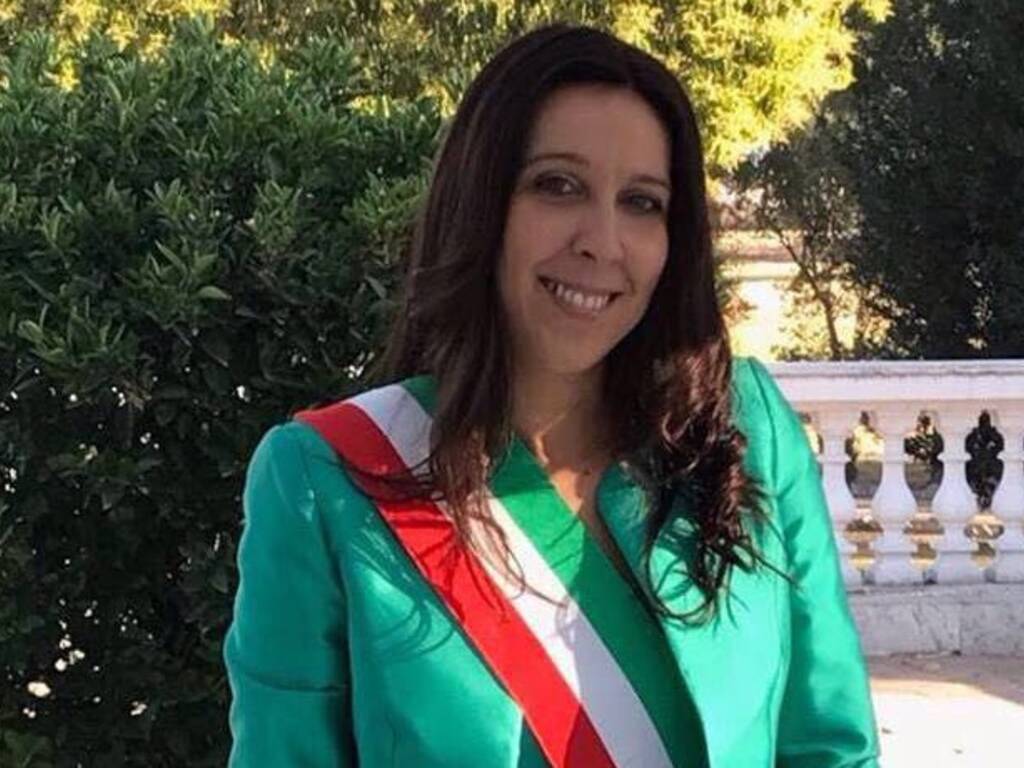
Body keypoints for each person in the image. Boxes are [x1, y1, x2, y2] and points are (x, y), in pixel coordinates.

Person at [222, 23, 880, 768]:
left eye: (643, 202)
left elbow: (829, 746)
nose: (603, 240)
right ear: (482, 204)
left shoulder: (744, 431)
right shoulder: (328, 478)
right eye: (558, 185)